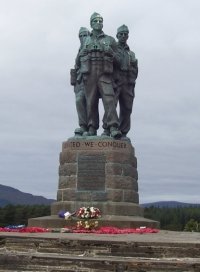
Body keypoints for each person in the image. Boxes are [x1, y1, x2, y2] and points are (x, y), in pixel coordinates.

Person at [79, 12, 121, 138]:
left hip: (104, 74)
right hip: (89, 73)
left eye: (100, 21)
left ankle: (113, 126)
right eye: (95, 21)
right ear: (91, 23)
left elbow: (120, 60)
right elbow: (78, 59)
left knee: (109, 99)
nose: (98, 23)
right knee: (90, 101)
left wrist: (111, 53)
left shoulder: (110, 40)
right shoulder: (86, 40)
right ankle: (92, 127)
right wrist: (83, 53)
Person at [114, 24, 138, 139]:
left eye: (125, 34)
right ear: (117, 35)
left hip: (127, 82)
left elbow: (135, 69)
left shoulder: (131, 54)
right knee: (111, 105)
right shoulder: (113, 49)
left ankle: (123, 132)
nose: (123, 36)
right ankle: (109, 128)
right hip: (115, 80)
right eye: (121, 34)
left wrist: (131, 80)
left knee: (127, 108)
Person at [70, 27, 90, 136]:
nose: (83, 38)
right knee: (79, 100)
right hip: (81, 81)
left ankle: (92, 128)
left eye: (85, 35)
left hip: (93, 79)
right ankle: (83, 126)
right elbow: (77, 64)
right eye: (81, 36)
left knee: (91, 103)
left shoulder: (91, 46)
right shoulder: (80, 49)